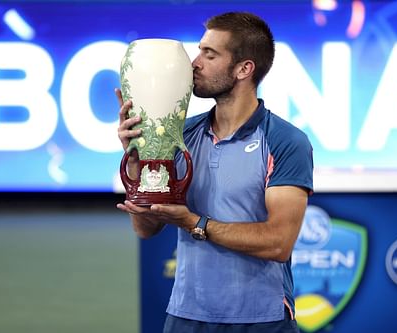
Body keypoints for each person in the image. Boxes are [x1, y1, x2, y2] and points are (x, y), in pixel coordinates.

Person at [116, 11, 313, 333]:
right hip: (186, 315)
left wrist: (194, 223)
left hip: (261, 319)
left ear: (243, 69)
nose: (195, 63)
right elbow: (145, 228)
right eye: (198, 51)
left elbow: (279, 243)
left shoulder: (285, 140)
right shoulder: (179, 135)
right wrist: (138, 157)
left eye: (210, 54)